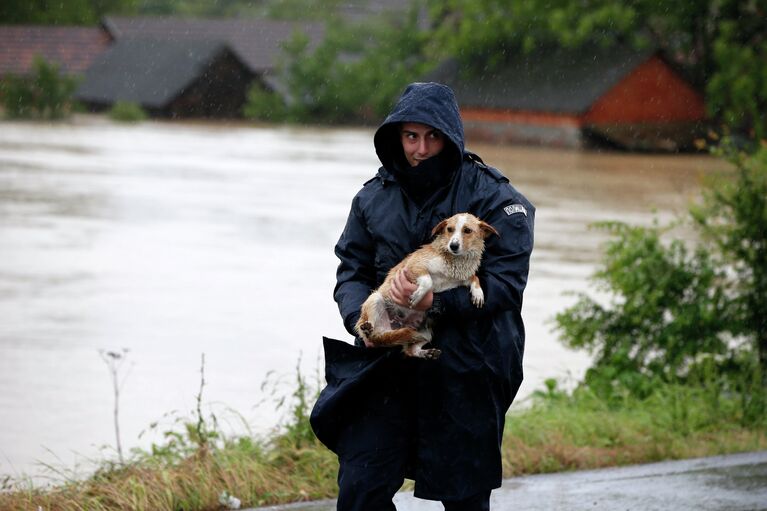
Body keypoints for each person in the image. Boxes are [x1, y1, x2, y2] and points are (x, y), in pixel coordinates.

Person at [310, 82, 535, 510]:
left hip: (466, 366)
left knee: (464, 498)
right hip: (386, 364)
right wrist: (366, 324)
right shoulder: (371, 198)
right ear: (396, 137)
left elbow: (508, 284)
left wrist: (438, 304)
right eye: (411, 136)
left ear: (450, 137)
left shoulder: (494, 197)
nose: (421, 148)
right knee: (361, 490)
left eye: (433, 137)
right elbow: (350, 272)